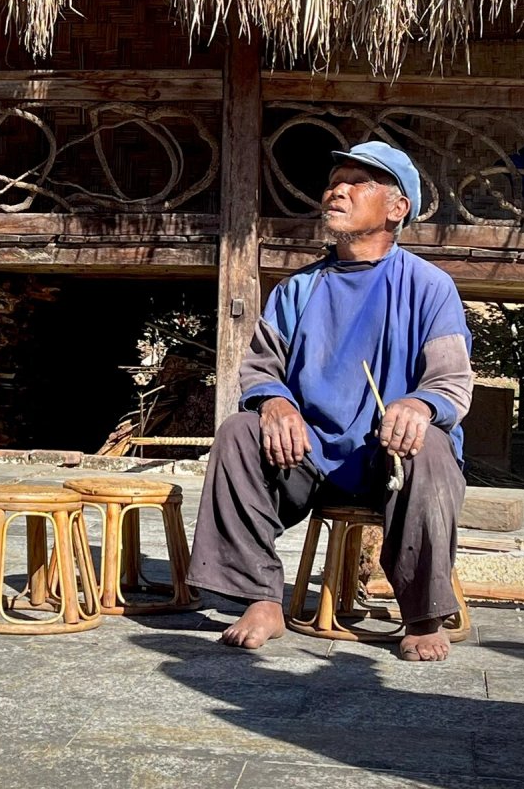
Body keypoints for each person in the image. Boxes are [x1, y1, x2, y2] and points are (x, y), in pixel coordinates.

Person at [188, 141, 473, 662]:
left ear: (396, 208)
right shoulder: (297, 289)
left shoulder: (430, 287)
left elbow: (451, 380)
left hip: (389, 460)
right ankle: (259, 597)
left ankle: (424, 612)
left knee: (430, 445)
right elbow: (260, 371)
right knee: (238, 433)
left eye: (357, 183)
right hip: (308, 456)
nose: (335, 190)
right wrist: (274, 403)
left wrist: (420, 406)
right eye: (333, 181)